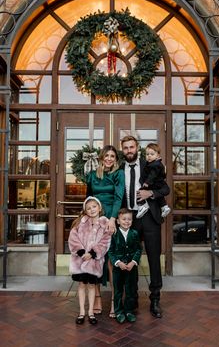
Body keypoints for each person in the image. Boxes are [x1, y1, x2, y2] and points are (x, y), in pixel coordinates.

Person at [120, 135, 170, 318]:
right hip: (129, 218)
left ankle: (155, 299)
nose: (129, 150)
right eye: (126, 148)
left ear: (137, 148)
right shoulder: (119, 168)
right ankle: (131, 299)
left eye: (132, 147)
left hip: (149, 217)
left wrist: (151, 193)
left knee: (154, 258)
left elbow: (166, 189)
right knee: (129, 258)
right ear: (122, 150)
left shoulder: (149, 164)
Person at [86, 145, 125, 317]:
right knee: (95, 260)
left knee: (111, 262)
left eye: (112, 156)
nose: (109, 159)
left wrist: (112, 219)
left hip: (110, 220)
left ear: (116, 159)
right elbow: (88, 199)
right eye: (106, 156)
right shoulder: (92, 176)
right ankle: (97, 299)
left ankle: (115, 302)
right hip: (95, 221)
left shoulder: (118, 174)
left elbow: (119, 197)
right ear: (101, 158)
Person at [68, 196, 111, 325]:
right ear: (85, 211)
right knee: (81, 285)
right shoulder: (80, 223)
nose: (91, 210)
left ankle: (91, 312)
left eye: (94, 206)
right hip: (80, 261)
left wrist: (93, 253)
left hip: (94, 262)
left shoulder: (105, 223)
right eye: (88, 208)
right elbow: (73, 238)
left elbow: (105, 241)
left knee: (92, 285)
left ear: (99, 207)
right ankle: (82, 312)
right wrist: (81, 252)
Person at [108, 208, 142, 324]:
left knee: (130, 290)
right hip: (118, 269)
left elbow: (138, 249)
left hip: (131, 268)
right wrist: (118, 262)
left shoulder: (135, 233)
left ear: (132, 221)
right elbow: (111, 252)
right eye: (124, 219)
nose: (126, 221)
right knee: (118, 290)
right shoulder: (114, 234)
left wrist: (133, 262)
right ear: (118, 221)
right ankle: (118, 311)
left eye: (129, 219)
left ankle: (129, 311)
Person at [136, 142, 171, 219]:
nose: (149, 156)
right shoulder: (152, 163)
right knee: (159, 197)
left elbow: (153, 175)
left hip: (155, 183)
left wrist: (147, 182)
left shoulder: (155, 165)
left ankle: (142, 205)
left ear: (157, 155)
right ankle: (164, 207)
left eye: (152, 154)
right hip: (157, 184)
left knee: (140, 192)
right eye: (147, 154)